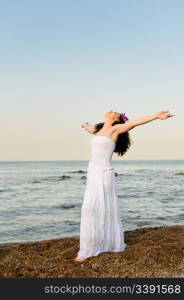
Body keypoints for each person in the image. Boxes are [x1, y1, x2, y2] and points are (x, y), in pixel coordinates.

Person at [74, 110, 175, 262]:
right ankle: (92, 245)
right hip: (93, 173)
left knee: (104, 207)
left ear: (116, 120)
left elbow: (136, 122)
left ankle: (97, 247)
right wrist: (84, 124)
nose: (112, 111)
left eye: (116, 112)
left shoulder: (116, 129)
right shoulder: (98, 130)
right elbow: (89, 128)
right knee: (91, 208)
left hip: (104, 173)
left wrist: (156, 116)